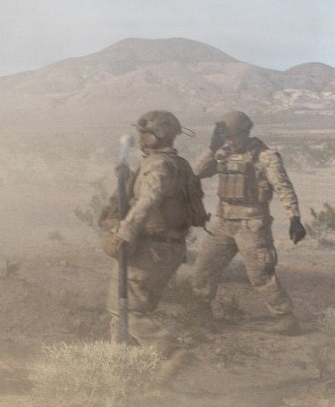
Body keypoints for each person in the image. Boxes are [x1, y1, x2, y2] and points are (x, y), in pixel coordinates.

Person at [101, 110, 198, 382]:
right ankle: (123, 375)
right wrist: (130, 177)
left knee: (126, 311)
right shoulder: (176, 164)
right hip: (166, 248)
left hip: (151, 249)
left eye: (144, 134)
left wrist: (125, 233)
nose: (140, 139)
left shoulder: (157, 165)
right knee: (120, 312)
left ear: (153, 136)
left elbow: (151, 197)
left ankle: (172, 352)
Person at [191, 110, 306, 335]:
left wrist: (294, 218)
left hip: (252, 224)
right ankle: (200, 316)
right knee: (204, 267)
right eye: (226, 137)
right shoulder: (223, 153)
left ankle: (286, 318)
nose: (230, 141)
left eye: (233, 136)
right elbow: (196, 173)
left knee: (261, 274)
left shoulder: (265, 156)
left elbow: (284, 187)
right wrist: (212, 148)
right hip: (224, 223)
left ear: (246, 132)